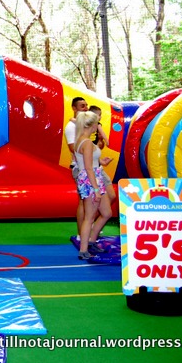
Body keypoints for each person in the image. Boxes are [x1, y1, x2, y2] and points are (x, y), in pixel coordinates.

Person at [74, 111, 113, 260]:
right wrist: (96, 189)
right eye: (97, 123)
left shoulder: (81, 140)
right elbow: (88, 167)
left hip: (92, 176)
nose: (98, 126)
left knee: (106, 212)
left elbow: (86, 163)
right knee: (89, 217)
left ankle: (91, 241)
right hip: (91, 179)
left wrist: (101, 162)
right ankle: (83, 250)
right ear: (93, 125)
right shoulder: (87, 143)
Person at [64, 96, 88, 239]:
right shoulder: (72, 127)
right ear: (74, 108)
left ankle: (88, 225)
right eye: (81, 106)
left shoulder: (85, 126)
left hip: (91, 166)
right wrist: (90, 149)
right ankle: (81, 233)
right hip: (81, 167)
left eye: (86, 106)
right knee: (83, 200)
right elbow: (73, 148)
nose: (85, 108)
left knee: (106, 197)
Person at [88, 104, 115, 202]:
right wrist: (107, 141)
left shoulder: (97, 125)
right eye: (99, 115)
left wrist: (102, 141)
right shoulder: (93, 125)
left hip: (96, 162)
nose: (101, 117)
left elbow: (100, 141)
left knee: (110, 196)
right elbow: (102, 132)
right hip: (93, 165)